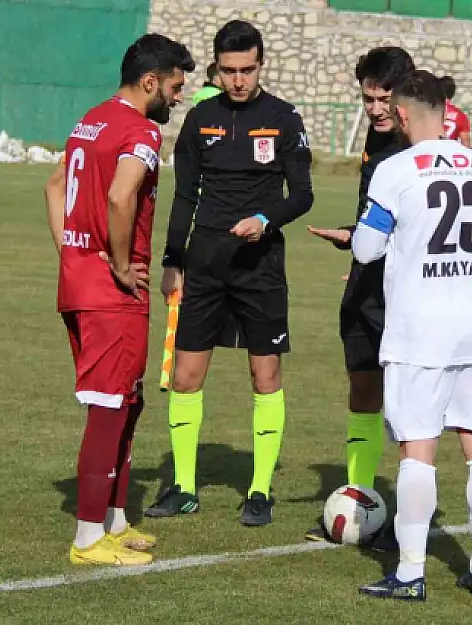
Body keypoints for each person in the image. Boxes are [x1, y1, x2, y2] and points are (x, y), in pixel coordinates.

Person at [145, 19, 314, 527]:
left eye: (247, 70)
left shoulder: (284, 118)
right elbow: (185, 196)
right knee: (186, 376)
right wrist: (173, 259)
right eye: (229, 71)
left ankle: (260, 490)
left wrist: (267, 220)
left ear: (260, 66)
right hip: (206, 263)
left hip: (261, 268)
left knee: (265, 377)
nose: (238, 80)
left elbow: (303, 195)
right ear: (217, 68)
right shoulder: (200, 118)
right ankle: (184, 487)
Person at [351, 70, 472, 602]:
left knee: (418, 450)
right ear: (445, 110)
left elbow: (367, 249)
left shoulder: (394, 169)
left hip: (421, 329)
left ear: (399, 115)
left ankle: (411, 573)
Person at [43, 33, 194, 566]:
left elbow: (55, 186)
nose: (179, 98)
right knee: (110, 406)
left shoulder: (91, 119)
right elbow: (119, 194)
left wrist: (73, 251)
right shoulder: (142, 131)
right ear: (150, 81)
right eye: (175, 87)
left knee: (128, 398)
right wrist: (122, 261)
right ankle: (87, 538)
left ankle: (114, 518)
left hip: (80, 281)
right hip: (111, 293)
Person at [304, 46, 415, 546]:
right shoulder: (376, 135)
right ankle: (361, 494)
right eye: (368, 98)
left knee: (409, 406)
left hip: (405, 294)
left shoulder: (420, 145)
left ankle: (409, 522)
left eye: (383, 99)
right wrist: (354, 236)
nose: (374, 109)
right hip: (364, 286)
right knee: (363, 390)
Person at [440, 75, 471, 147]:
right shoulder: (460, 116)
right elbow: (466, 144)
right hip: (449, 154)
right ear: (453, 93)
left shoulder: (429, 112)